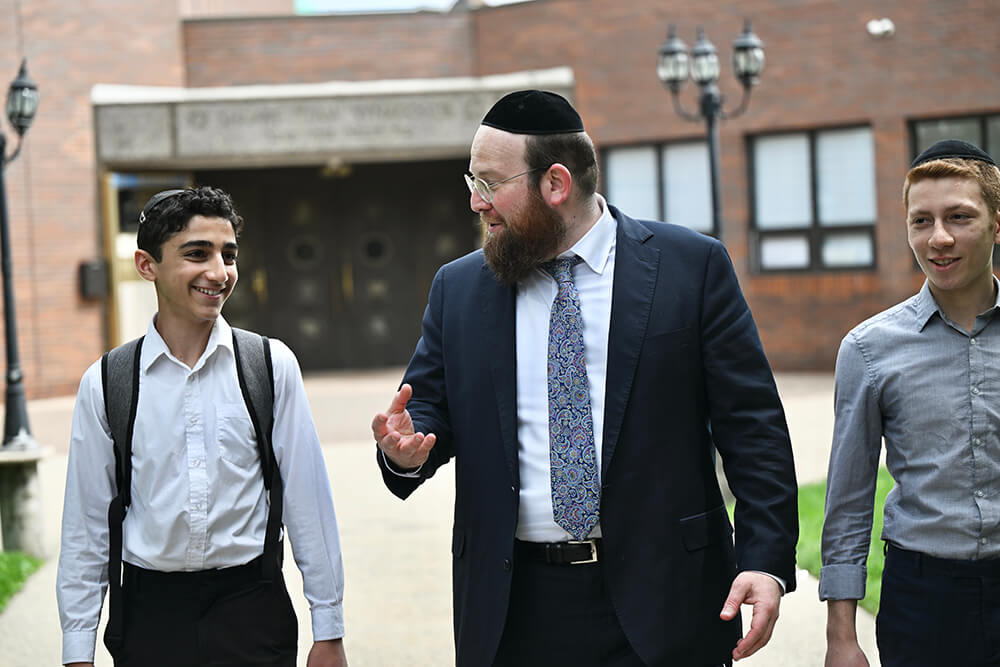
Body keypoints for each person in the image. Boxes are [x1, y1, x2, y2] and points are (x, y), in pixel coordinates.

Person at [371, 90, 798, 667]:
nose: (475, 202)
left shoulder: (690, 267)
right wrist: (405, 451)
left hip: (667, 601)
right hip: (512, 612)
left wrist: (765, 560)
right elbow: (428, 413)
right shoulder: (460, 288)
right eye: (472, 181)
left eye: (490, 184)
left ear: (556, 183)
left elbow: (753, 427)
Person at [56, 186, 348, 667]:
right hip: (150, 618)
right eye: (197, 254)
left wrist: (329, 629)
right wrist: (77, 650)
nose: (219, 272)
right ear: (147, 265)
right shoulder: (108, 382)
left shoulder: (269, 365)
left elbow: (308, 504)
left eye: (228, 255)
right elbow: (86, 528)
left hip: (253, 612)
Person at [821, 139, 1000, 667]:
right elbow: (849, 500)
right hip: (923, 602)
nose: (938, 237)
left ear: (997, 225)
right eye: (922, 221)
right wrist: (841, 638)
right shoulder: (868, 350)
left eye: (959, 217)